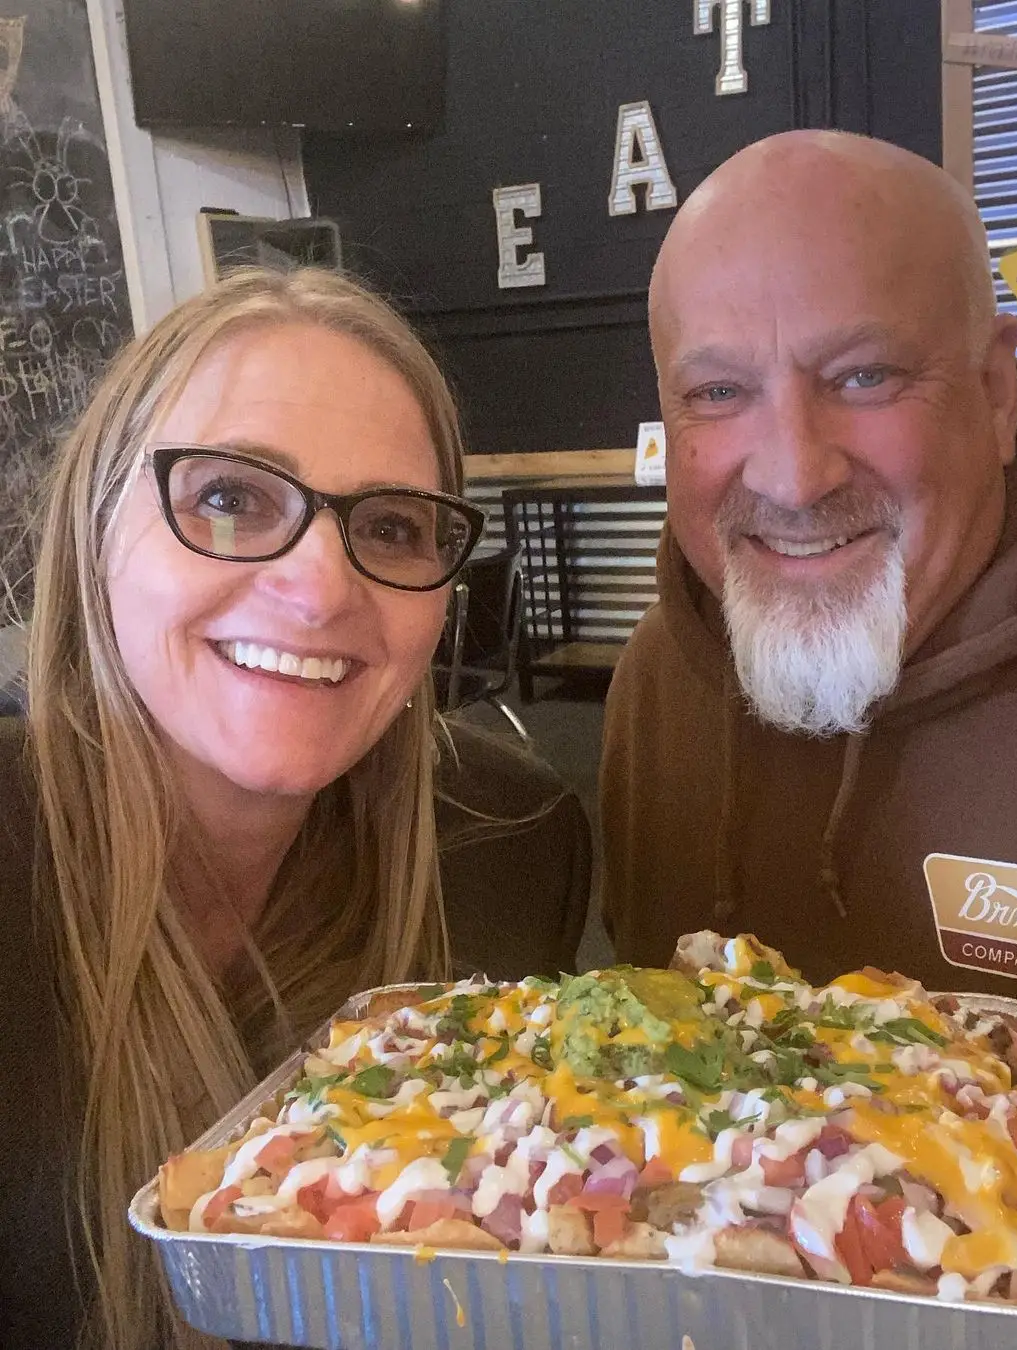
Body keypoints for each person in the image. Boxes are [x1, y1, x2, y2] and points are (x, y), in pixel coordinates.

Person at [0, 267, 589, 1350]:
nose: (321, 589)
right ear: (95, 527)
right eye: (228, 499)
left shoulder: (512, 851)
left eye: (396, 527)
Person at [600, 132, 1017, 1075]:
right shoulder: (660, 678)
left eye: (864, 377)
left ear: (994, 393)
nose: (793, 476)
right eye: (720, 390)